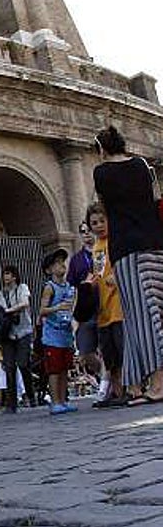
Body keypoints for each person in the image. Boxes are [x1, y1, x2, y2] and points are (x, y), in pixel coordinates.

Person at [93, 125, 163, 406]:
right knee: (153, 308)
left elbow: (104, 206)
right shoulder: (142, 165)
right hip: (155, 242)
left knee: (143, 316)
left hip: (126, 249)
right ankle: (134, 386)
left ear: (101, 148)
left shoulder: (101, 173)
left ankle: (158, 383)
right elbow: (155, 198)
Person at [87, 202, 127, 408]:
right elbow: (99, 271)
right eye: (94, 223)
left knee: (122, 351)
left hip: (118, 306)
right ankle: (116, 391)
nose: (99, 225)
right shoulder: (96, 248)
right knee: (109, 355)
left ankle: (129, 389)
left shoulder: (117, 241)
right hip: (103, 308)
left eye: (103, 221)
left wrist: (117, 277)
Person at [0, 265, 34, 412]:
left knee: (23, 364)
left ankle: (31, 395)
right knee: (9, 367)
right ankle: (12, 403)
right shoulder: (0, 294)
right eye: (4, 274)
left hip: (23, 332)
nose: (5, 277)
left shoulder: (22, 288)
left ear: (14, 276)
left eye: (8, 274)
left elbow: (25, 303)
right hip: (7, 334)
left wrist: (8, 311)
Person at [39, 248, 77, 414]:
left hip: (66, 334)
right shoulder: (49, 287)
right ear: (49, 270)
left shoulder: (69, 287)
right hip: (52, 336)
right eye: (57, 262)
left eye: (62, 261)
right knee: (54, 370)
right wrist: (57, 307)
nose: (62, 264)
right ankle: (55, 401)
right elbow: (42, 310)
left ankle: (63, 400)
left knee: (64, 368)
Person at [68, 221, 101, 380]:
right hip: (86, 310)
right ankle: (104, 376)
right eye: (83, 231)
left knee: (109, 347)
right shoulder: (76, 259)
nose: (87, 234)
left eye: (89, 230)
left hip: (105, 304)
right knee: (86, 351)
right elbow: (72, 288)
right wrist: (73, 315)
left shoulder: (102, 251)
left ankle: (109, 384)